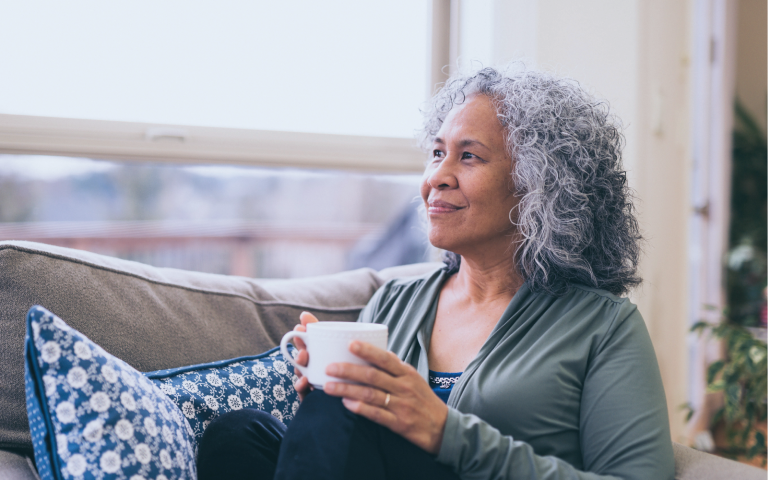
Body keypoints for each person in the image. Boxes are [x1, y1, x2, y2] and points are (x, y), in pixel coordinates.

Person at [197, 65, 676, 480]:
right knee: (239, 435)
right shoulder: (394, 301)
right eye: (436, 153)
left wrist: (449, 434)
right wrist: (325, 407)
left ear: (539, 184)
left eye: (469, 156)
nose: (437, 178)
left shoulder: (603, 328)